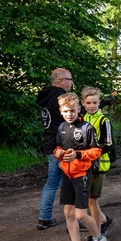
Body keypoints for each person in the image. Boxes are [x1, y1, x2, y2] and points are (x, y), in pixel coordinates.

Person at [53, 93, 107, 241]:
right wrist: (58, 153)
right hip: (67, 175)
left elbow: (96, 151)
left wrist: (77, 154)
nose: (70, 114)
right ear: (61, 111)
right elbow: (57, 147)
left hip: (82, 174)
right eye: (66, 111)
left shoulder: (86, 128)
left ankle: (98, 238)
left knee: (81, 214)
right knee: (67, 212)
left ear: (79, 109)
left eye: (73, 111)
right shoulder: (61, 127)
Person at [36, 68, 73, 230]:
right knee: (72, 183)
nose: (72, 83)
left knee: (52, 183)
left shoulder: (47, 98)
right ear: (62, 80)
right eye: (70, 79)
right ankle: (76, 221)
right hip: (63, 146)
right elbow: (77, 115)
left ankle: (45, 218)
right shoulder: (61, 98)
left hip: (50, 146)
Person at [80, 87, 115, 241]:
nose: (92, 106)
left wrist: (91, 150)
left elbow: (108, 144)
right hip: (85, 164)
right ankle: (103, 220)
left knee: (91, 200)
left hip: (99, 165)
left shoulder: (103, 121)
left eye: (95, 102)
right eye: (88, 103)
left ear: (100, 103)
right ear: (83, 103)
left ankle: (97, 235)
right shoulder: (83, 118)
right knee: (89, 200)